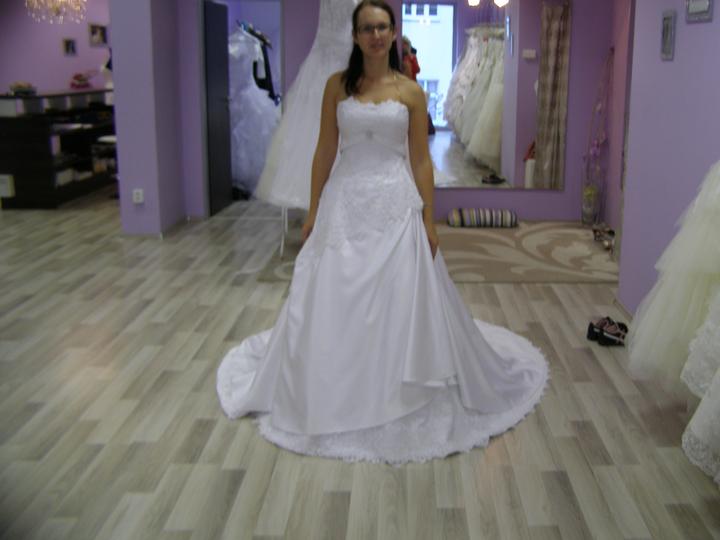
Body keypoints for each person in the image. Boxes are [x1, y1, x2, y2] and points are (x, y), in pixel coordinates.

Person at [216, 0, 548, 465]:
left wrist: (428, 218)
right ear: (355, 36)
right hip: (345, 201)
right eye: (367, 28)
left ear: (393, 34)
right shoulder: (337, 86)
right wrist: (313, 211)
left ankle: (400, 388)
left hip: (395, 203)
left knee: (400, 295)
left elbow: (420, 161)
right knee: (335, 292)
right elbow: (324, 151)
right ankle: (335, 384)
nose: (375, 35)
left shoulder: (409, 91)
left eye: (382, 27)